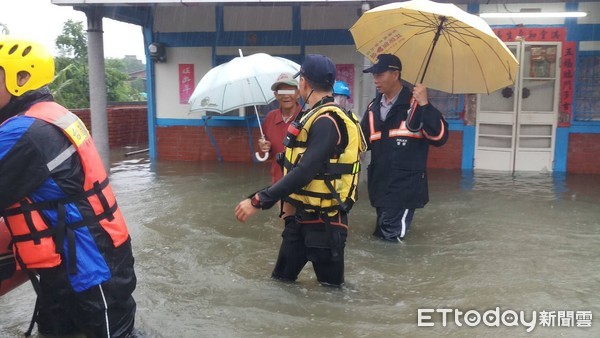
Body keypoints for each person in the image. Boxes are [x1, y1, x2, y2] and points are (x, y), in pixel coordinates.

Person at [0, 37, 137, 337]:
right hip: (75, 265)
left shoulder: (23, 132)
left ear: (21, 79)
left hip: (91, 269)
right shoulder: (51, 115)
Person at [235, 54, 366, 287]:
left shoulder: (327, 121)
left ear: (303, 83)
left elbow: (305, 171)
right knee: (280, 283)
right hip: (299, 220)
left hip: (326, 225)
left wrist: (258, 200)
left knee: (332, 294)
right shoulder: (311, 117)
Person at [360, 53, 448, 243]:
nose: (375, 79)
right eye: (374, 75)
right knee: (380, 237)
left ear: (395, 74)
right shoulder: (372, 108)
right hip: (380, 187)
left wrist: (425, 103)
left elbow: (439, 137)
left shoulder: (416, 105)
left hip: (404, 188)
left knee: (391, 241)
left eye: (380, 74)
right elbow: (361, 141)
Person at [257, 72, 301, 184]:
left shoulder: (307, 118)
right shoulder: (270, 118)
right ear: (276, 95)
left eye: (290, 91)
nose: (286, 95)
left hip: (302, 188)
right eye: (281, 91)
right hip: (277, 186)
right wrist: (266, 148)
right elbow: (266, 156)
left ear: (298, 94)